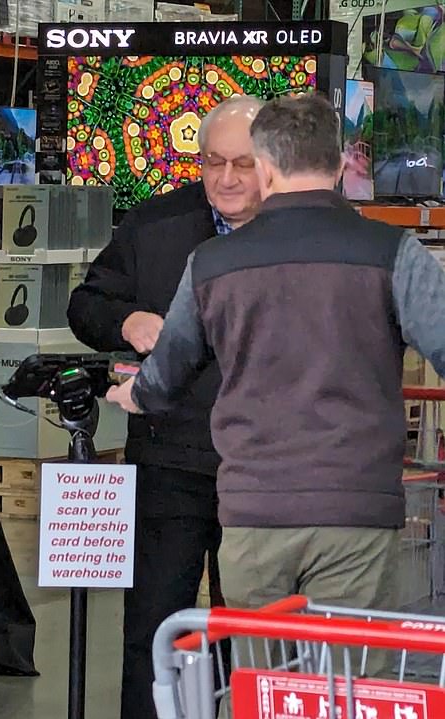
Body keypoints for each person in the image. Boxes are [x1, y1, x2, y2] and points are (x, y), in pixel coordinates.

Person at [106, 94, 445, 671]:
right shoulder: (394, 254)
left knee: (264, 686)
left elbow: (166, 372)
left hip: (253, 512)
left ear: (264, 169)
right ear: (339, 164)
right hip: (356, 510)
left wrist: (132, 395)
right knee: (351, 687)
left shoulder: (212, 262)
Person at [67, 95, 263, 719]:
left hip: (266, 469)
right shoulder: (153, 225)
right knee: (154, 627)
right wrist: (127, 319)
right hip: (169, 459)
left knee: (257, 634)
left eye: (242, 163)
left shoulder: (297, 232)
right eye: (212, 162)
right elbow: (85, 307)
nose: (226, 179)